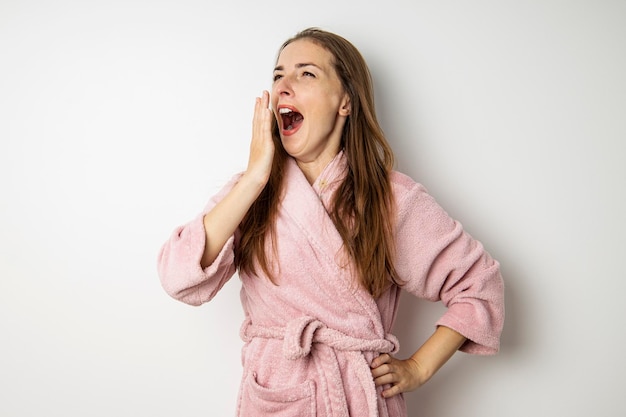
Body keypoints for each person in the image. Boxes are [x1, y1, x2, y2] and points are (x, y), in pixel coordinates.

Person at [157, 27, 504, 417]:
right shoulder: (250, 194)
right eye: (277, 75)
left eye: (306, 74)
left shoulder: (390, 199)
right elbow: (178, 278)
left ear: (345, 101)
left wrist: (419, 368)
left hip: (356, 397)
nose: (284, 86)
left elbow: (479, 284)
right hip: (274, 398)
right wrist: (255, 176)